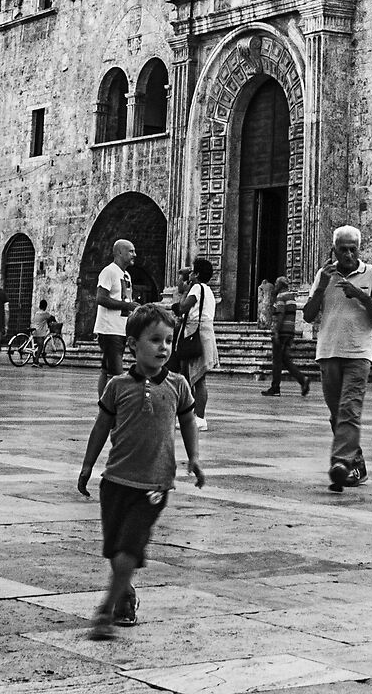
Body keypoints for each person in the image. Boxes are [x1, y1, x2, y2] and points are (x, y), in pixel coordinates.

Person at [75, 303, 204, 641]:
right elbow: (101, 426)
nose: (164, 347)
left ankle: (107, 607)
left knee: (130, 546)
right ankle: (125, 590)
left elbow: (188, 420)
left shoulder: (178, 385)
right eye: (155, 340)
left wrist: (194, 458)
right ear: (132, 344)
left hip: (155, 483)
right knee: (116, 549)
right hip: (115, 481)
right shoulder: (117, 386)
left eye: (168, 341)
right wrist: (88, 466)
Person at [303, 225, 372, 491]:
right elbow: (307, 315)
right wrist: (321, 288)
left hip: (358, 353)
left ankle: (340, 464)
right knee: (337, 415)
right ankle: (356, 463)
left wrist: (360, 294)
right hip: (328, 352)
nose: (349, 254)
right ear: (334, 250)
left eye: (353, 249)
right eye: (344, 249)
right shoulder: (323, 275)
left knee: (349, 411)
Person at [169, 256, 218, 429]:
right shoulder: (208, 291)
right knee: (191, 377)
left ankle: (199, 418)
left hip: (195, 333)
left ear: (196, 274)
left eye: (192, 271)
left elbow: (183, 308)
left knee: (197, 378)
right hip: (203, 332)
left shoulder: (196, 288)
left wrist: (182, 292)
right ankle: (191, 416)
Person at [92, 239, 137, 397]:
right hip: (109, 329)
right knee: (117, 373)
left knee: (106, 370)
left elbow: (125, 299)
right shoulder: (109, 272)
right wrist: (127, 306)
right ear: (119, 252)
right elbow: (101, 298)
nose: (134, 255)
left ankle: (103, 406)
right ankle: (113, 410)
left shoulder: (126, 275)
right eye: (131, 251)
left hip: (120, 328)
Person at [261, 276, 311, 396]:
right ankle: (302, 379)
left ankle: (275, 387)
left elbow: (281, 314)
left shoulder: (281, 297)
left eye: (277, 284)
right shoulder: (292, 297)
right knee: (284, 359)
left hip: (282, 331)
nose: (275, 285)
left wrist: (276, 331)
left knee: (277, 360)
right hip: (289, 331)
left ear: (281, 285)